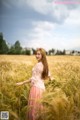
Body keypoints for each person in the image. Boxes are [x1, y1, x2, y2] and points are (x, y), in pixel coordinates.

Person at [16, 48, 54, 120]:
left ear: (42, 55)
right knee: (39, 109)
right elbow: (49, 76)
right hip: (42, 89)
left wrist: (22, 83)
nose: (36, 55)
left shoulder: (38, 65)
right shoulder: (45, 65)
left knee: (34, 110)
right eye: (36, 54)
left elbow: (33, 79)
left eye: (39, 54)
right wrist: (54, 81)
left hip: (36, 89)